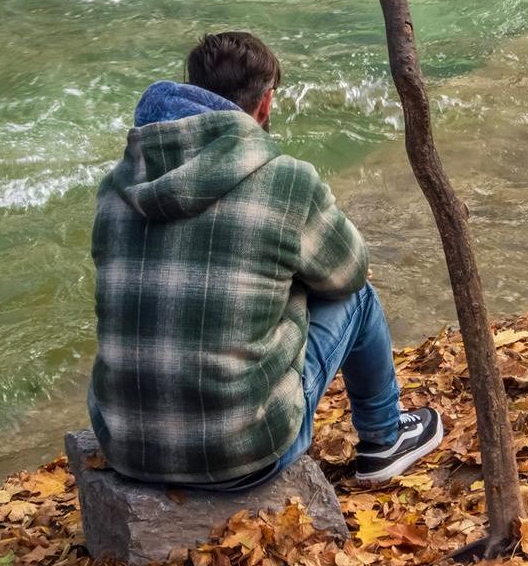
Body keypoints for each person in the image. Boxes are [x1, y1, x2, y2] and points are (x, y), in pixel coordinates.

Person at [88, 30, 444, 490]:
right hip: (244, 454)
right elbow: (350, 271)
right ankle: (385, 439)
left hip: (125, 447)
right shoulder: (284, 180)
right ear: (265, 103)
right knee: (357, 297)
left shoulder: (115, 188)